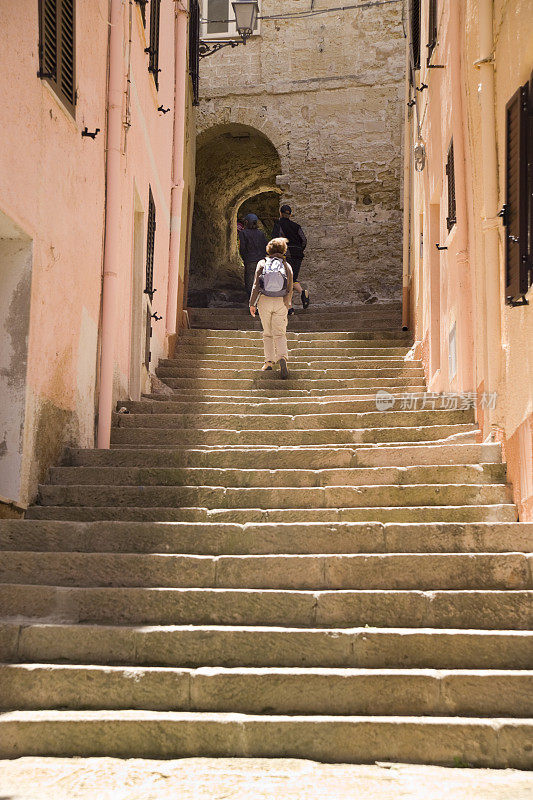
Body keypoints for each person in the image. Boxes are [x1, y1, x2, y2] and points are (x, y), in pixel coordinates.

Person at [249, 237, 294, 379]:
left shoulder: (262, 263)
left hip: (264, 300)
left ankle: (269, 361)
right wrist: (288, 303)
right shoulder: (286, 266)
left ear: (269, 249)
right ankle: (282, 357)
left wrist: (252, 303)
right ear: (283, 250)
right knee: (280, 332)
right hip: (281, 301)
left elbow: (256, 285)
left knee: (267, 332)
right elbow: (290, 286)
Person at [272, 204, 309, 313]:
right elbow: (304, 240)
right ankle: (301, 293)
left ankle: (289, 308)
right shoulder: (296, 226)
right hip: (297, 255)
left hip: (286, 256)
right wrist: (299, 250)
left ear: (280, 213)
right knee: (293, 279)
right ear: (290, 214)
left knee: (286, 281)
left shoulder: (279, 225)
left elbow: (276, 239)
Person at [238, 213, 268, 295]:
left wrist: (245, 258)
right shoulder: (261, 233)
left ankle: (252, 302)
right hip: (261, 260)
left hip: (250, 260)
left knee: (250, 282)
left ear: (247, 222)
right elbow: (266, 246)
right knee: (260, 281)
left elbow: (242, 248)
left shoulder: (243, 233)